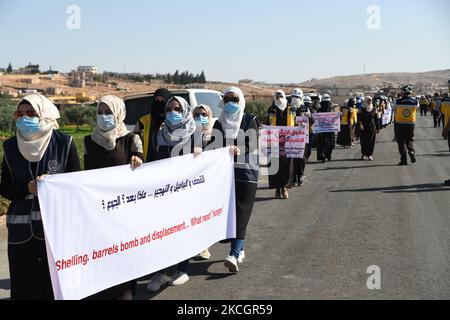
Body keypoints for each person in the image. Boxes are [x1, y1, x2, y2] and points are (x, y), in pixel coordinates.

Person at [0, 94, 80, 300]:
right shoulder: (9, 147)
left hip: (54, 231)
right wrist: (26, 188)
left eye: (31, 113)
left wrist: (53, 188)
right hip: (20, 232)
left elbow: (76, 184)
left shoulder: (64, 143)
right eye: (21, 113)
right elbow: (5, 187)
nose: (25, 118)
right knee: (24, 285)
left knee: (52, 286)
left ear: (44, 114)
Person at [83, 95, 144, 300]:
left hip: (124, 210)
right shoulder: (89, 141)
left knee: (124, 254)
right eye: (100, 112)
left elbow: (140, 164)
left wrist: (137, 160)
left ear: (118, 112)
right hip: (98, 209)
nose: (103, 116)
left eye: (108, 112)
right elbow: (85, 175)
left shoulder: (131, 139)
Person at [146, 96, 202, 292]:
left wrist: (200, 155)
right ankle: (161, 273)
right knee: (161, 233)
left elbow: (208, 164)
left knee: (182, 231)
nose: (172, 112)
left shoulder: (195, 134)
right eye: (169, 109)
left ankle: (182, 269)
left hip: (185, 194)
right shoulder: (158, 135)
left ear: (185, 110)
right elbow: (150, 162)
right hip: (163, 194)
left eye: (176, 108)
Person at [211, 86, 259, 273]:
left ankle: (233, 254)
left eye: (235, 99)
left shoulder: (249, 119)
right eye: (227, 98)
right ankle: (240, 248)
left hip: (246, 174)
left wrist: (242, 149)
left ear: (241, 100)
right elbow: (212, 146)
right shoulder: (218, 123)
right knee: (228, 215)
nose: (231, 102)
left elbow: (253, 143)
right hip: (224, 176)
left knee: (241, 213)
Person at [192, 104, 214, 260]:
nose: (200, 117)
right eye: (197, 114)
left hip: (209, 181)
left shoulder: (215, 134)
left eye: (204, 114)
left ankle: (204, 246)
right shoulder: (189, 134)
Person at [267, 90, 293, 199]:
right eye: (277, 96)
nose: (279, 98)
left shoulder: (291, 109)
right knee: (275, 163)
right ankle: (277, 188)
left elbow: (295, 122)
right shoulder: (271, 109)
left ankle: (284, 187)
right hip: (274, 141)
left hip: (288, 141)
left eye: (281, 96)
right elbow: (267, 123)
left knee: (286, 164)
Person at [135, 88, 172, 162]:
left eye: (163, 101)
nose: (160, 103)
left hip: (167, 165)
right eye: (157, 100)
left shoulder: (173, 121)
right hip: (146, 165)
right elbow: (134, 144)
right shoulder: (142, 121)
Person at [394, 85, 419, 166]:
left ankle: (403, 160)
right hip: (411, 123)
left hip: (399, 124)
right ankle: (411, 151)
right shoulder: (415, 101)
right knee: (410, 139)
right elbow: (417, 109)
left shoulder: (397, 101)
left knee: (401, 142)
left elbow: (394, 109)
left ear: (402, 92)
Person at [291, 89, 310, 187]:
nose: (295, 99)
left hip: (302, 138)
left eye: (297, 97)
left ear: (301, 98)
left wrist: (309, 117)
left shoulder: (305, 109)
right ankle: (293, 177)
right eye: (293, 97)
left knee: (302, 157)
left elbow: (312, 121)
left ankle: (301, 175)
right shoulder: (289, 108)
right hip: (291, 138)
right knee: (293, 158)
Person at [357, 96, 380, 161]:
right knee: (363, 141)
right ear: (365, 100)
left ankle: (370, 155)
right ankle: (363, 154)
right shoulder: (361, 108)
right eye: (368, 100)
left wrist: (378, 128)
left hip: (371, 127)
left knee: (371, 141)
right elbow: (358, 118)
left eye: (370, 100)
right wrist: (360, 124)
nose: (369, 102)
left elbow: (376, 118)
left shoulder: (373, 108)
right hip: (363, 127)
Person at [316, 94, 335, 162]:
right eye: (324, 102)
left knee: (331, 144)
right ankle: (322, 156)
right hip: (322, 130)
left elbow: (335, 118)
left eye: (327, 102)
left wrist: (339, 115)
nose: (326, 104)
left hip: (330, 129)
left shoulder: (332, 110)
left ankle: (328, 154)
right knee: (322, 143)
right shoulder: (319, 110)